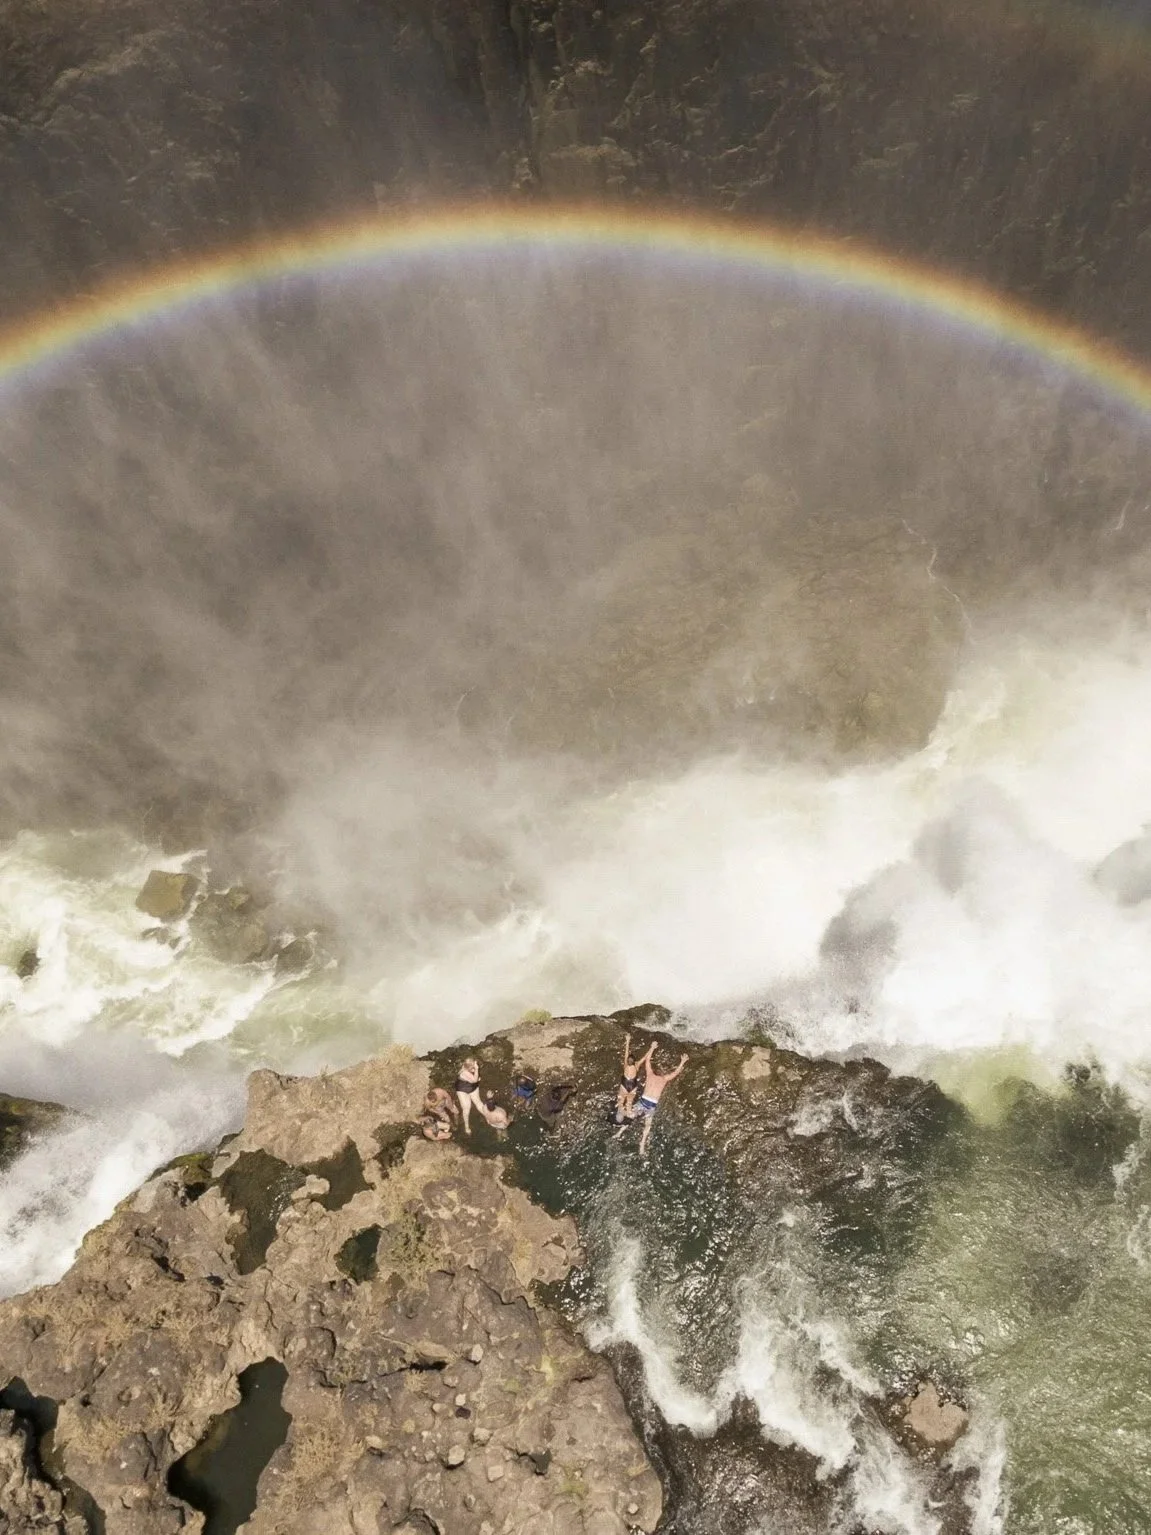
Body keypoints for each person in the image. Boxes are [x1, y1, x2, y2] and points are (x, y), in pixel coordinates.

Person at [617, 1041, 689, 1157]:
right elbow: (675, 1073)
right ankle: (642, 1144)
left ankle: (620, 1132)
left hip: (643, 1101)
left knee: (631, 1117)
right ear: (662, 1073)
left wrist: (652, 1047)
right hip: (651, 1105)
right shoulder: (664, 1079)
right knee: (647, 1125)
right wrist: (682, 1062)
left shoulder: (650, 1075)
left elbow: (647, 1061)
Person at [614, 1032, 640, 1126]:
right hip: (632, 1087)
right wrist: (651, 1048)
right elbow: (645, 1058)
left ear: (628, 1061)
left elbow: (626, 1054)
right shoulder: (636, 1066)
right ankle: (629, 1113)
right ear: (634, 1062)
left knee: (620, 1101)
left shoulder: (625, 1066)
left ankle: (620, 1115)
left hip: (624, 1086)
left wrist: (627, 1041)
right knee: (629, 1102)